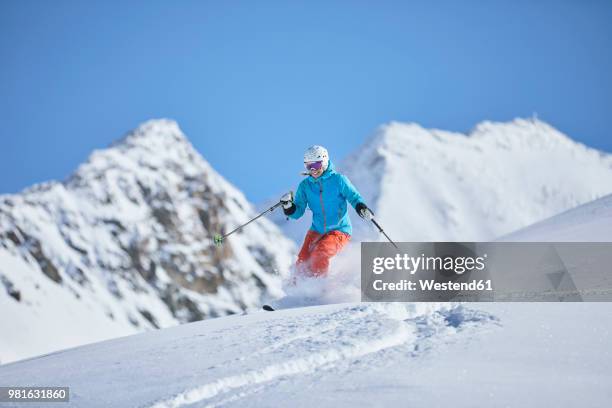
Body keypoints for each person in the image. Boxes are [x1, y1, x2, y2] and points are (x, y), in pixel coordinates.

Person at [280, 145, 374, 278]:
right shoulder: (305, 186)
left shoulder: (338, 180)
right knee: (303, 260)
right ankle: (297, 291)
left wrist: (361, 207)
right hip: (317, 229)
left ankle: (320, 289)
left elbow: (354, 197)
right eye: (309, 166)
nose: (313, 170)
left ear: (324, 161)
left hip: (339, 230)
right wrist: (289, 207)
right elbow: (298, 212)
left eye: (316, 165)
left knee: (320, 253)